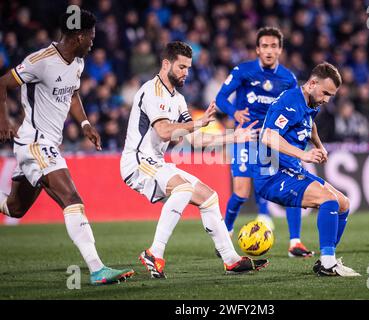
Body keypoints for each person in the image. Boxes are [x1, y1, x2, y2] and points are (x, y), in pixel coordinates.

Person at [0, 10, 135, 285]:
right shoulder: (40, 62)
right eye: (92, 37)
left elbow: (72, 94)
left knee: (15, 208)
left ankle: (97, 269)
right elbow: (2, 83)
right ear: (79, 36)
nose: (94, 43)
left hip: (48, 144)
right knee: (72, 199)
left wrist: (85, 123)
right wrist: (4, 119)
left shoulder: (77, 63)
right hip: (35, 142)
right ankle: (97, 269)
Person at [120, 41, 268, 278]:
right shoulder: (151, 91)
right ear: (166, 64)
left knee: (209, 196)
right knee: (185, 188)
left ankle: (230, 259)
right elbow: (165, 131)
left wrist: (233, 136)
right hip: (137, 161)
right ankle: (154, 252)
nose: (186, 73)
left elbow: (198, 141)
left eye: (188, 68)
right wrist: (195, 124)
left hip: (156, 161)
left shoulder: (178, 99)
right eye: (181, 67)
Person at [255, 62, 361, 276]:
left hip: (292, 170)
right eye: (325, 93)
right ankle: (328, 264)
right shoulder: (289, 101)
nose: (327, 99)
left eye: (331, 95)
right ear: (312, 83)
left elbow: (309, 123)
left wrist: (319, 145)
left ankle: (328, 258)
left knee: (343, 204)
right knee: (328, 200)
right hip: (272, 175)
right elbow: (267, 136)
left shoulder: (311, 100)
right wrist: (303, 154)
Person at [216, 27, 313, 258]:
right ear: (257, 49)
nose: (269, 51)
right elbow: (220, 98)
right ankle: (224, 236)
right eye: (265, 46)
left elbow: (298, 110)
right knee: (240, 193)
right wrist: (234, 112)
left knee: (291, 188)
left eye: (274, 46)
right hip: (246, 137)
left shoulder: (288, 79)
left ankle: (295, 243)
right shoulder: (243, 70)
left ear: (280, 49)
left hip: (273, 140)